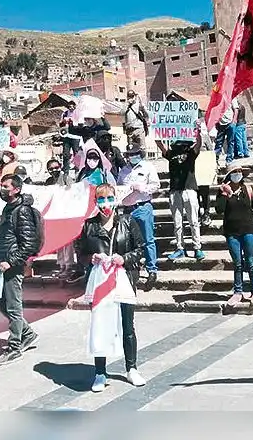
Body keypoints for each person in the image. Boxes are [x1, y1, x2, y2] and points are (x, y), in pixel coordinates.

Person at [78, 183, 147, 391]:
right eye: (101, 199)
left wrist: (123, 258)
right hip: (101, 282)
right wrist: (91, 259)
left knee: (128, 325)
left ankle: (132, 368)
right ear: (96, 202)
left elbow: (141, 249)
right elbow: (80, 254)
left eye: (109, 198)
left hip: (124, 279)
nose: (105, 203)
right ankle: (100, 372)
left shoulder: (127, 221)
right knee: (101, 325)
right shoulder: (89, 225)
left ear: (116, 199)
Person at [0, 174, 42, 367]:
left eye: (6, 186)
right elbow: (5, 238)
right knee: (0, 303)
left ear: (16, 189)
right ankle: (27, 334)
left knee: (13, 306)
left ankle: (14, 347)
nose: (2, 189)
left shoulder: (23, 211)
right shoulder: (8, 208)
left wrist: (11, 261)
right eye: (2, 186)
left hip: (13, 266)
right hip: (0, 263)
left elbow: (28, 243)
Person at [215, 163, 253, 306]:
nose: (237, 174)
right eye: (235, 171)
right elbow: (219, 209)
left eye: (239, 171)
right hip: (232, 232)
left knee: (250, 261)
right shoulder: (223, 190)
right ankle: (238, 291)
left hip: (248, 230)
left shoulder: (248, 190)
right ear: (229, 175)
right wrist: (226, 194)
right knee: (237, 263)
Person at [117, 146, 161, 291]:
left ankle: (152, 270)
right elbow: (119, 188)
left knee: (148, 239)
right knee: (129, 241)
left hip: (143, 206)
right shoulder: (124, 171)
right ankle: (133, 268)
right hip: (128, 209)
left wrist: (144, 188)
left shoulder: (148, 166)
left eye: (135, 154)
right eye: (130, 154)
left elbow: (156, 185)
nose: (132, 156)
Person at [157, 132, 205, 261]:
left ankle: (197, 247)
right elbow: (160, 144)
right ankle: (180, 248)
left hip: (189, 189)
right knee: (177, 222)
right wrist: (156, 129)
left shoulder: (191, 153)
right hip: (175, 191)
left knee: (193, 220)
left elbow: (198, 144)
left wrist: (198, 133)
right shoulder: (171, 154)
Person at [227, 98, 250, 163]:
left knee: (238, 139)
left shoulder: (237, 108)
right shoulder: (242, 106)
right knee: (244, 139)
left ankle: (240, 153)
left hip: (238, 124)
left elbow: (235, 116)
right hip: (244, 123)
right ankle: (246, 152)